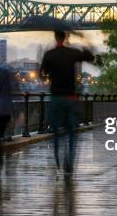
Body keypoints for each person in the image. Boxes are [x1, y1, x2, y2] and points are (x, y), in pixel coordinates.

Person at [40, 30, 95, 173]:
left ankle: (57, 159)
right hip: (71, 97)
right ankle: (69, 160)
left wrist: (49, 73)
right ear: (65, 37)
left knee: (56, 131)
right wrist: (85, 41)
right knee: (71, 131)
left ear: (55, 37)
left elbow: (42, 73)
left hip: (56, 97)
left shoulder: (49, 54)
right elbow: (90, 57)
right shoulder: (72, 53)